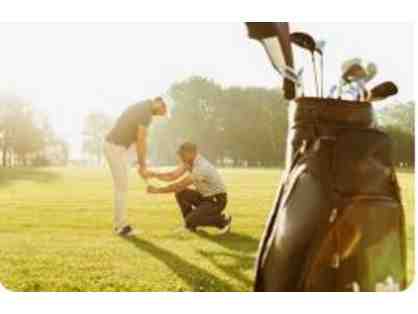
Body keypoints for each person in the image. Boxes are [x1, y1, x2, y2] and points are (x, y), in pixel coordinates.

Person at [104, 97, 167, 236]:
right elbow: (141, 139)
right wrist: (142, 165)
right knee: (122, 187)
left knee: (123, 185)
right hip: (115, 148)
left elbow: (138, 140)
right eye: (162, 111)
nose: (161, 115)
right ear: (158, 103)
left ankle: (120, 225)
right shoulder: (145, 111)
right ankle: (121, 227)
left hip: (120, 148)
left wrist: (141, 164)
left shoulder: (144, 108)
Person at [147, 142, 232, 233]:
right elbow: (172, 175)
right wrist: (155, 174)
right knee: (181, 193)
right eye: (180, 154)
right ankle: (190, 226)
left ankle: (223, 221)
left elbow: (179, 185)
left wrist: (157, 190)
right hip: (205, 197)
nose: (181, 157)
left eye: (183, 154)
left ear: (192, 153)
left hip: (216, 201)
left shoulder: (201, 167)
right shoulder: (189, 162)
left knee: (190, 218)